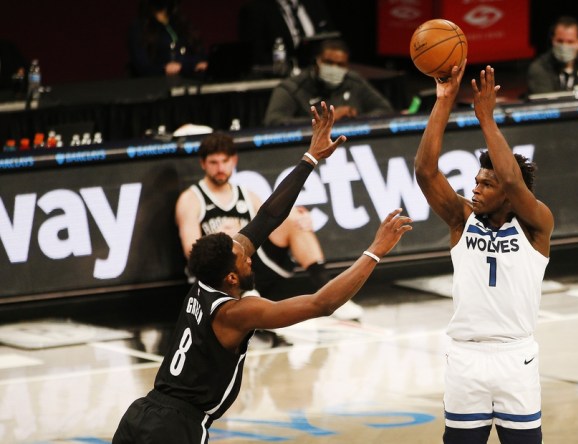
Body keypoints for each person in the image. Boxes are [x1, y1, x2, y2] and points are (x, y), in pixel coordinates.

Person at [113, 102, 413, 443]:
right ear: (231, 277)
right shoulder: (237, 312)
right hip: (174, 429)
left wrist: (310, 158)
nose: (249, 255)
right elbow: (321, 305)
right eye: (243, 257)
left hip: (140, 413)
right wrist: (375, 250)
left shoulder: (205, 281)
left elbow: (267, 217)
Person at [415, 62, 554, 443]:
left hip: (515, 358)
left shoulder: (535, 224)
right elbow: (425, 172)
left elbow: (511, 178)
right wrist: (444, 99)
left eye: (486, 184)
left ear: (509, 195)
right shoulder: (462, 219)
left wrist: (486, 119)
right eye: (475, 181)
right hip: (465, 358)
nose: (475, 189)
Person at [174, 132, 365, 321]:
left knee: (294, 219)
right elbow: (192, 253)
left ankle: (328, 289)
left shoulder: (246, 194)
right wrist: (221, 240)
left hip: (251, 267)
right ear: (203, 164)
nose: (220, 168)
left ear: (234, 161)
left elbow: (270, 219)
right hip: (219, 278)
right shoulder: (191, 199)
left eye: (224, 161)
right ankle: (245, 296)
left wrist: (302, 218)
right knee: (231, 255)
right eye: (213, 163)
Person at [263, 39, 394, 127]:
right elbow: (273, 122)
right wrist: (325, 120)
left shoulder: (354, 82)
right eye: (328, 62)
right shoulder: (292, 88)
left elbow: (385, 111)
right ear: (317, 62)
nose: (334, 68)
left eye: (340, 65)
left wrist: (356, 117)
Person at [239, 0, 337, 68]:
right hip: (282, 82)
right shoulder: (255, 10)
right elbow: (256, 57)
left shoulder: (315, 4)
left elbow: (332, 39)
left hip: (321, 74)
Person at [128, 0, 208, 78]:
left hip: (190, 80)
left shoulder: (181, 24)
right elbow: (142, 65)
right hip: (159, 84)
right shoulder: (140, 28)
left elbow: (198, 52)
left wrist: (198, 64)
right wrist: (164, 69)